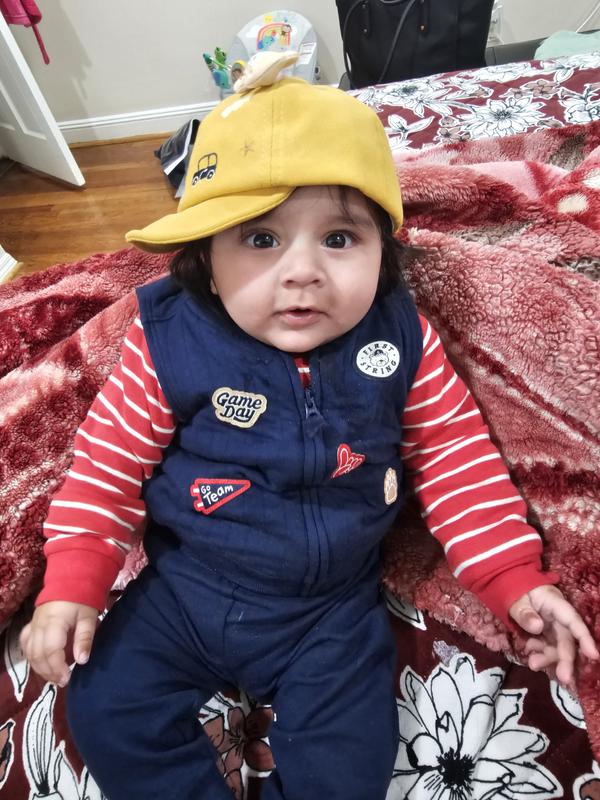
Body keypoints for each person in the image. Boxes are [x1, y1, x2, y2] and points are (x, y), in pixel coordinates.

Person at [21, 55, 598, 800]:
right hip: (187, 590)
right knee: (105, 706)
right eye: (260, 240)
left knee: (350, 765)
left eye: (339, 238)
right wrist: (71, 584)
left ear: (385, 252)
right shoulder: (167, 339)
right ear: (206, 259)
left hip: (331, 611)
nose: (303, 271)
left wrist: (512, 578)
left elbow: (456, 457)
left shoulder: (403, 338)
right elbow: (104, 468)